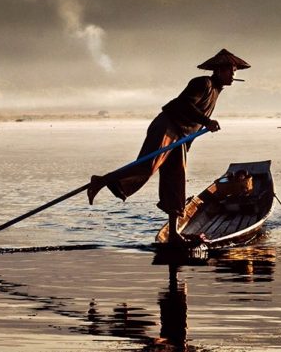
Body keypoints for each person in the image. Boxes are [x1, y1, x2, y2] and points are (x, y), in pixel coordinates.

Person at [87, 49, 251, 246]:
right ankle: (101, 181)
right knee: (147, 166)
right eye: (229, 70)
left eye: (234, 71)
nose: (233, 75)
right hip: (167, 127)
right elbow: (184, 105)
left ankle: (173, 233)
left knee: (176, 180)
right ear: (217, 71)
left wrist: (192, 135)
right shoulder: (203, 83)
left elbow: (193, 122)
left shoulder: (216, 91)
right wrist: (206, 121)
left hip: (180, 136)